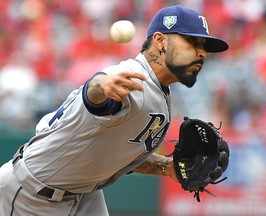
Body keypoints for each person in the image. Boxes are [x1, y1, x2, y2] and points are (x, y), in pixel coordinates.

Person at [0, 5, 228, 216]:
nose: (201, 53)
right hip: (29, 195)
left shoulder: (158, 90)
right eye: (192, 42)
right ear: (160, 40)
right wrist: (99, 86)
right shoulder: (131, 80)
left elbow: (115, 152)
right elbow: (95, 95)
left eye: (203, 46)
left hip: (83, 194)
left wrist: (165, 167)